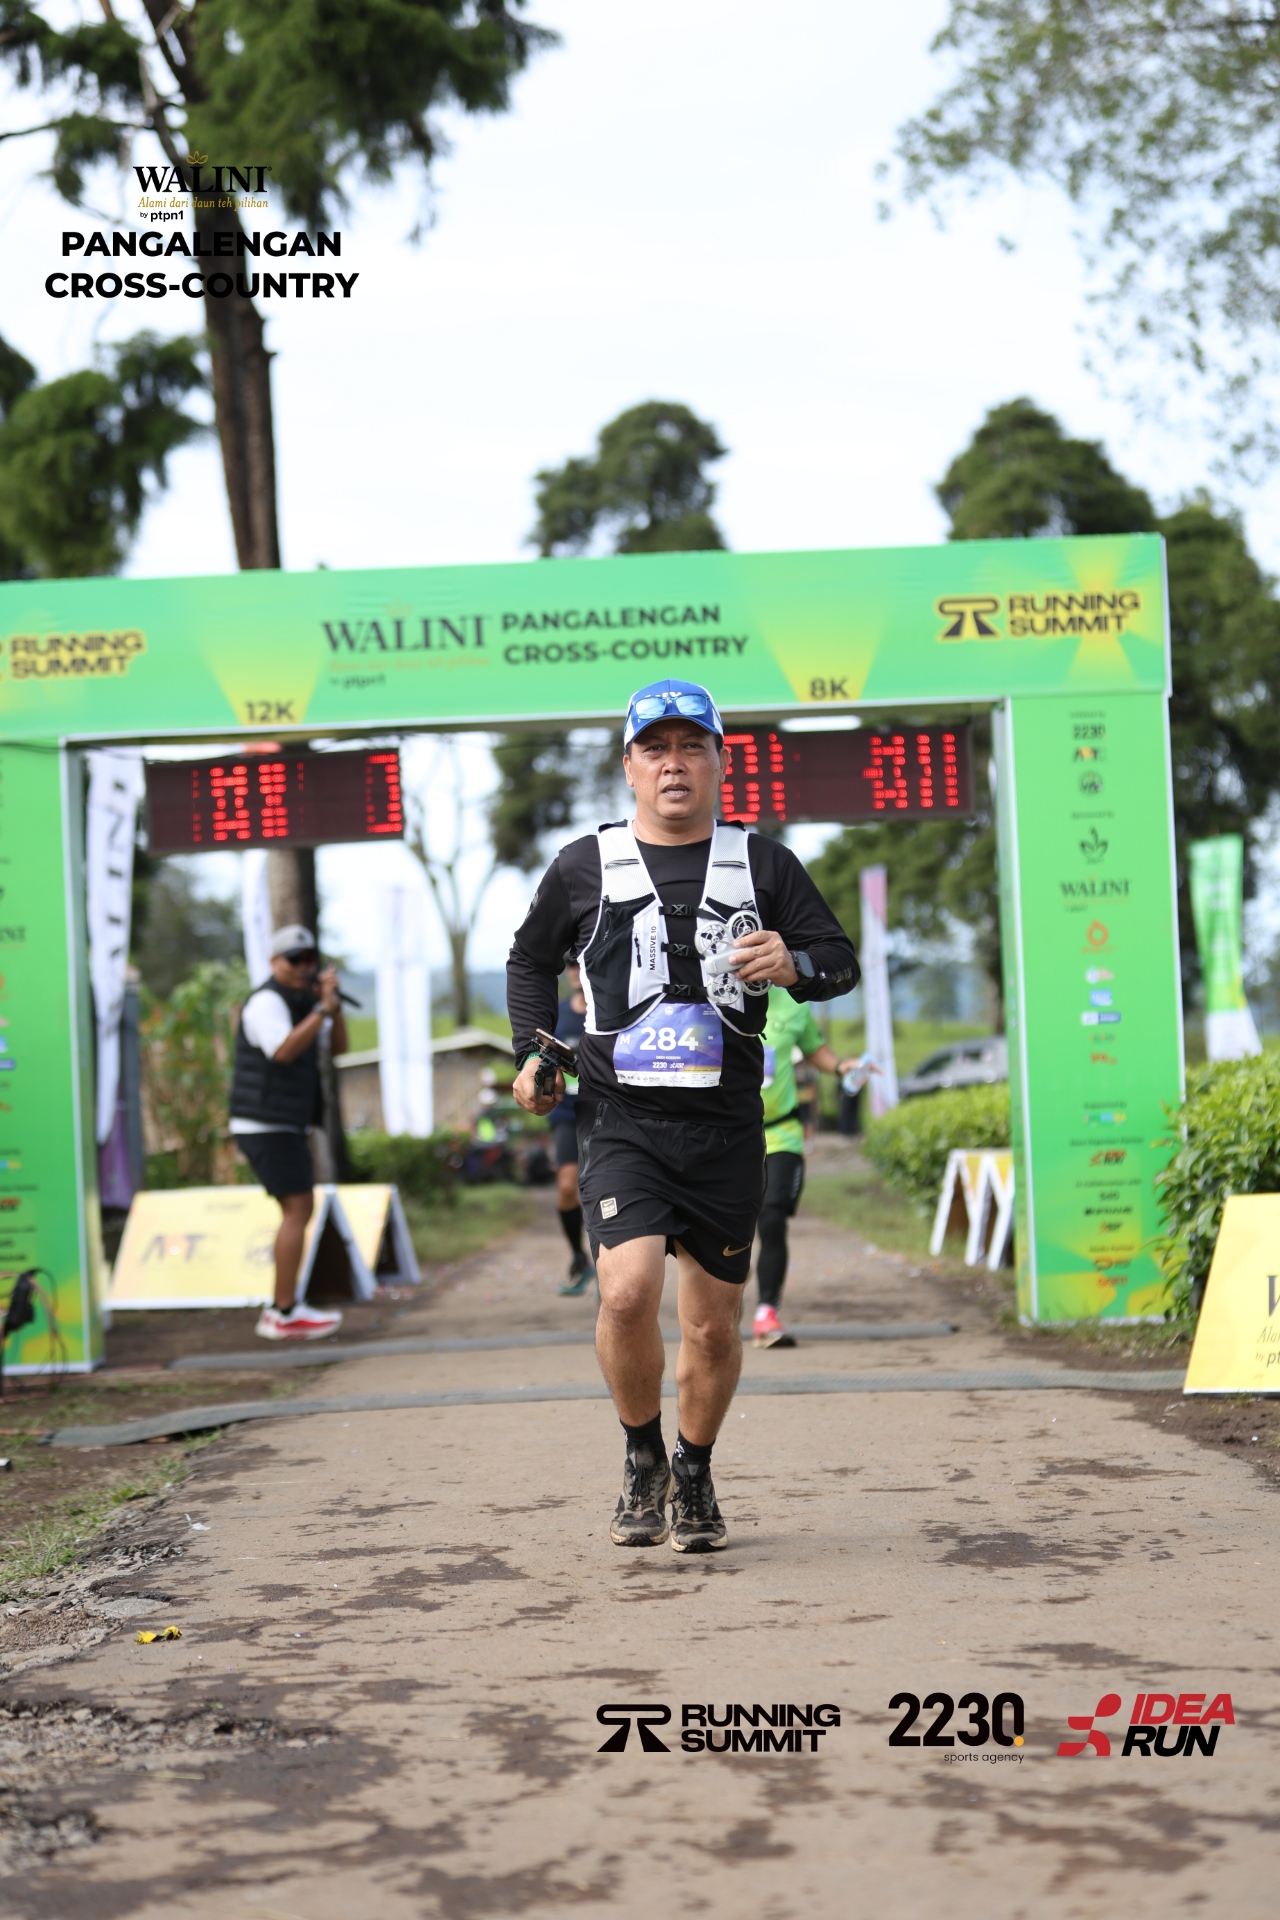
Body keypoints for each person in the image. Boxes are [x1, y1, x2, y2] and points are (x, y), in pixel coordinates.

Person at [507, 679, 858, 1552]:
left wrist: (795, 961)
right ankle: (643, 1456)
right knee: (626, 1293)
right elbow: (528, 959)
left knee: (710, 1323)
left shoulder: (765, 864)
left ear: (719, 762)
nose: (674, 765)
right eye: (655, 749)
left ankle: (694, 1470)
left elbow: (838, 958)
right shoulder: (584, 865)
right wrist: (532, 1052)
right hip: (621, 1121)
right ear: (629, 767)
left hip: (727, 1128)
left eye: (691, 747)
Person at [229, 925, 347, 1342]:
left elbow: (339, 1048)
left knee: (298, 1208)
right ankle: (282, 1312)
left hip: (284, 1122)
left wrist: (333, 1007)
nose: (302, 967)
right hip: (265, 1122)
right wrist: (321, 1011)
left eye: (309, 959)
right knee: (298, 1209)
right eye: (293, 959)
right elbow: (282, 1050)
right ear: (274, 962)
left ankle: (284, 1308)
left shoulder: (305, 1003)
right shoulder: (266, 1002)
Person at [752, 988, 865, 1349]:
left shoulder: (793, 1003)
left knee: (772, 1218)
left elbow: (813, 1047)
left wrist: (840, 1066)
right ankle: (717, 1309)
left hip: (781, 1133)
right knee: (724, 1229)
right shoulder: (711, 993)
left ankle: (766, 1312)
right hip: (727, 1136)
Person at [547, 963, 595, 1296]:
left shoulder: (609, 1010)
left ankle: (612, 1262)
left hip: (605, 1111)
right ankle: (579, 1257)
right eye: (569, 966)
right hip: (567, 1113)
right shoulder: (559, 1015)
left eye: (580, 964)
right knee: (567, 1186)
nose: (575, 971)